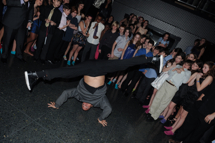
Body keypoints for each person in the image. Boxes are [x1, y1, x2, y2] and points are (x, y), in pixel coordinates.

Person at [24, 54, 163, 127]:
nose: (85, 104)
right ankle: (154, 59)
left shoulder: (78, 95)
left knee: (67, 72)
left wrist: (57, 104)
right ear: (92, 106)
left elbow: (66, 93)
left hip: (89, 68)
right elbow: (108, 109)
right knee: (122, 64)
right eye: (87, 106)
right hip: (99, 68)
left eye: (83, 105)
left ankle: (35, 74)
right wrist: (100, 118)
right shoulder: (99, 102)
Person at [164, 61, 214, 136]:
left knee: (183, 116)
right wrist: (195, 77)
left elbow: (199, 89)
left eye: (205, 67)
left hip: (194, 98)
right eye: (203, 67)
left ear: (210, 69)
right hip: (189, 95)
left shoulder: (209, 77)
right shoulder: (202, 75)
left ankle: (173, 130)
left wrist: (197, 78)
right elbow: (190, 84)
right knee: (181, 114)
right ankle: (172, 127)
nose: (203, 69)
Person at [148, 53, 191, 120]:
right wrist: (176, 69)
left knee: (164, 102)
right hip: (166, 83)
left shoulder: (188, 73)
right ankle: (151, 112)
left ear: (189, 67)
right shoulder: (178, 66)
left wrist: (182, 72)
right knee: (157, 97)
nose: (185, 66)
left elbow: (184, 81)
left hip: (173, 87)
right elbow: (170, 72)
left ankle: (154, 116)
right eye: (185, 64)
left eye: (188, 65)